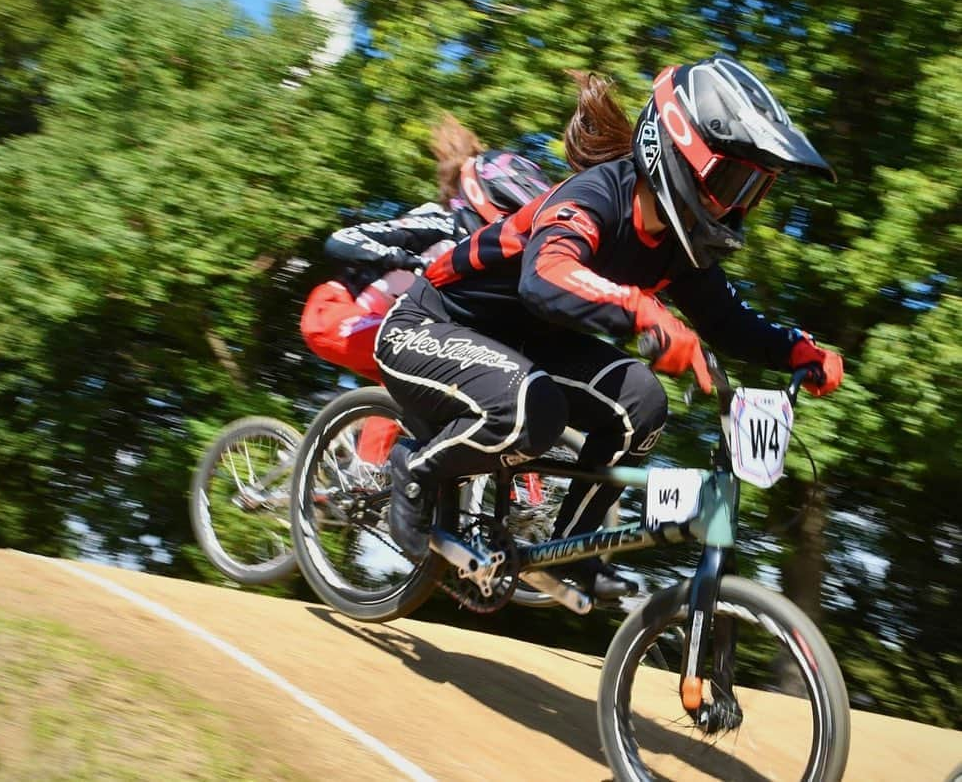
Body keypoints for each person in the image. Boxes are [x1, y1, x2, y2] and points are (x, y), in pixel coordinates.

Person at [374, 55, 845, 600]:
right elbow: (545, 276)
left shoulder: (676, 245)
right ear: (677, 152)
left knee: (644, 404)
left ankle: (572, 548)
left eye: (753, 190)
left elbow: (724, 319)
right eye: (731, 181)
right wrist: (643, 310)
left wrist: (795, 350)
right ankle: (415, 468)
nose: (737, 206)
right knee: (534, 407)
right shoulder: (594, 196)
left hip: (522, 348)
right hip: (431, 325)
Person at [300, 114, 553, 461]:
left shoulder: (489, 257)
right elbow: (342, 240)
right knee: (404, 361)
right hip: (338, 309)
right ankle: (365, 472)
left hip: (394, 325)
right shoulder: (439, 222)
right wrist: (405, 259)